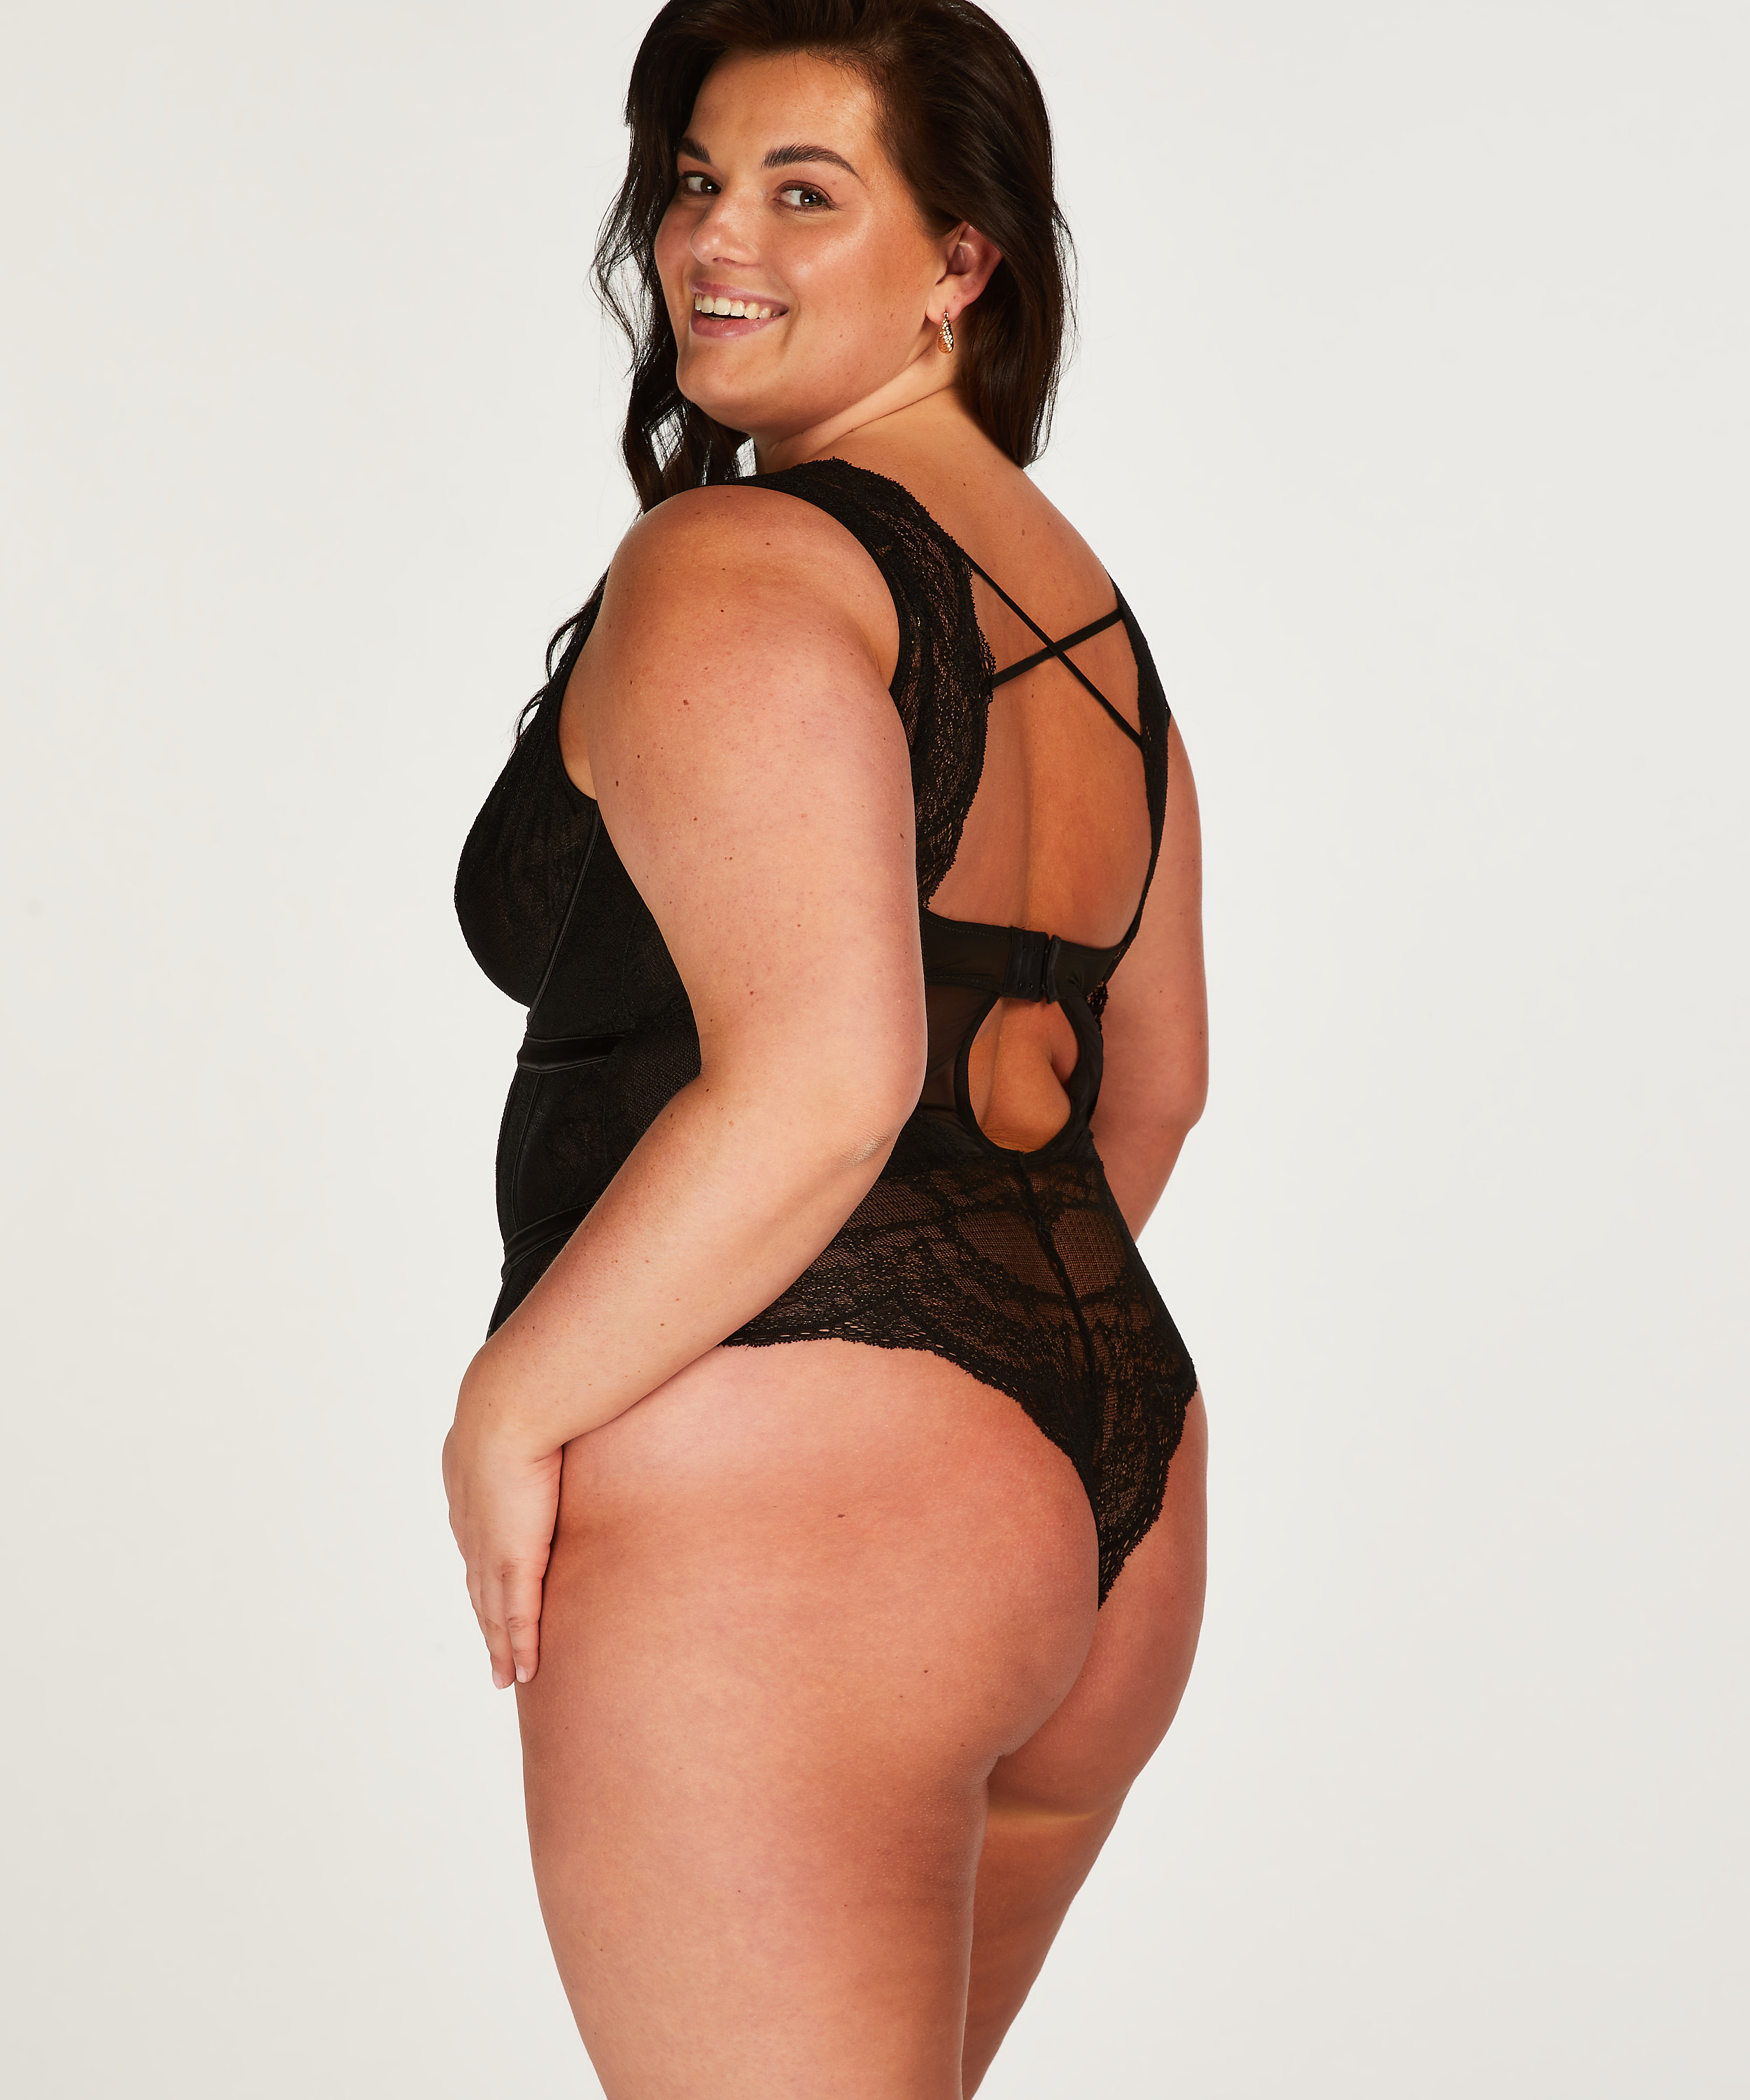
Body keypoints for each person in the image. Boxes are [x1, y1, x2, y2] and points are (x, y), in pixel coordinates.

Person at [445, 2, 1209, 2091]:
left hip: (800, 1521)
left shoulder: (735, 562)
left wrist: (516, 1405)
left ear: (963, 260)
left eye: (806, 193)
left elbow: (825, 1077)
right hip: (1109, 1493)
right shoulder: (1089, 628)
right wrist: (972, 1401)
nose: (716, 240)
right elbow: (1145, 1082)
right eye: (699, 181)